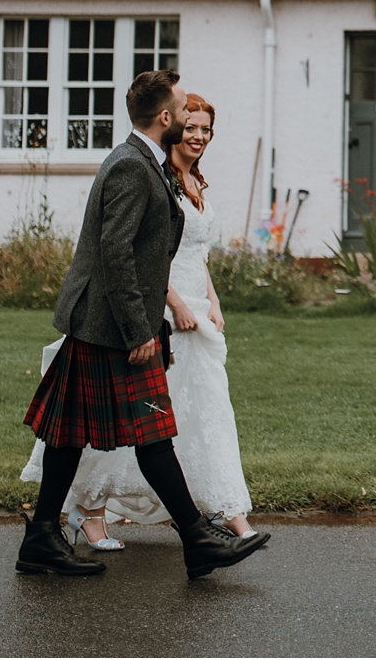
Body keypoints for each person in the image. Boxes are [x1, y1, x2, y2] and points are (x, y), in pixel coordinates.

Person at [15, 69, 268, 579]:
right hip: (109, 326)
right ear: (166, 117)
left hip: (104, 322)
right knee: (149, 431)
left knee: (81, 433)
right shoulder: (133, 166)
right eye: (180, 108)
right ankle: (195, 539)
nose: (187, 117)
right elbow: (117, 254)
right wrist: (140, 331)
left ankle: (43, 536)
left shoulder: (143, 161)